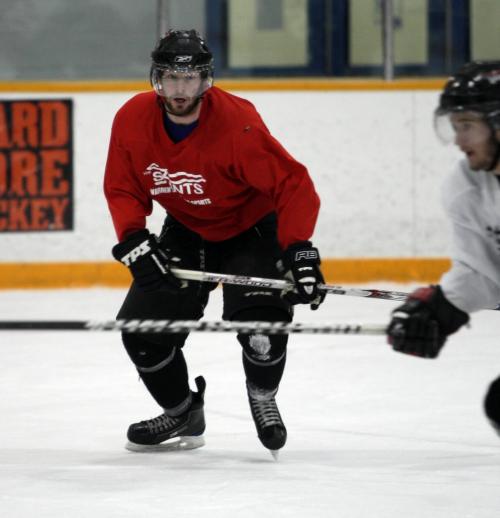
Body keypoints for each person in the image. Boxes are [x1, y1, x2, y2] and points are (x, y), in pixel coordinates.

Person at [103, 29, 325, 455]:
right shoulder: (132, 119)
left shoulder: (237, 122)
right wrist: (133, 239)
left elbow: (293, 183)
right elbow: (123, 187)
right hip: (187, 228)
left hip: (252, 228)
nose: (180, 89)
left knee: (262, 328)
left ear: (206, 80)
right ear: (157, 78)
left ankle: (262, 397)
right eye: (171, 77)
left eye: (190, 79)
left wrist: (298, 248)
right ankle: (183, 411)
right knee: (143, 333)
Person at [387, 60, 500, 437]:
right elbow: (484, 272)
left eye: (467, 126)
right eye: (454, 127)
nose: (458, 140)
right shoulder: (467, 186)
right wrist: (443, 309)